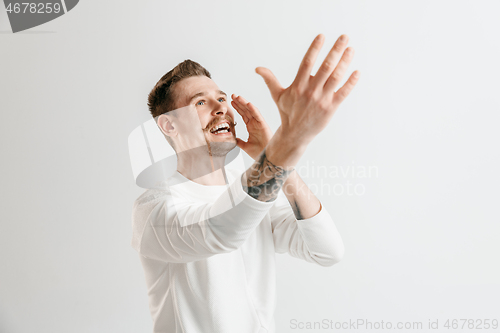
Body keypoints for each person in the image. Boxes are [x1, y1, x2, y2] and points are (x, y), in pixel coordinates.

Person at [131, 33, 360, 333]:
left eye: (221, 98)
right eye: (200, 102)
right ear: (169, 125)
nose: (221, 108)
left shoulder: (257, 198)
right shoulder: (154, 209)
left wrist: (279, 159)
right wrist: (288, 143)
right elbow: (222, 231)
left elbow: (327, 250)